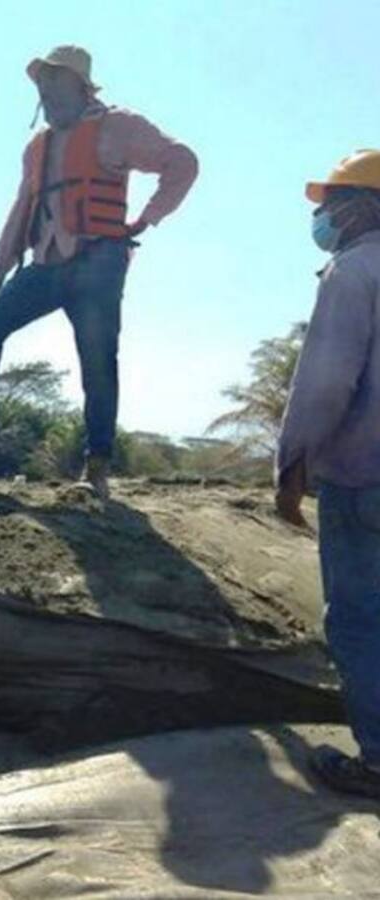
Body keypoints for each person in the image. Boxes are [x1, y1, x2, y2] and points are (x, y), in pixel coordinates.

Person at [0, 45, 198, 499]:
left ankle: (97, 463)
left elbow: (182, 162)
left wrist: (146, 219)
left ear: (81, 86)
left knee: (97, 360)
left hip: (98, 260)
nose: (46, 91)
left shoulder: (118, 126)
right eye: (42, 84)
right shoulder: (37, 147)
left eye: (55, 81)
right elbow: (23, 207)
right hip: (48, 263)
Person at [276, 149, 380, 800]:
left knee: (360, 621)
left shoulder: (354, 271)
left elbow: (324, 384)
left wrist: (292, 469)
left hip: (365, 484)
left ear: (368, 205)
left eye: (335, 200)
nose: (324, 214)